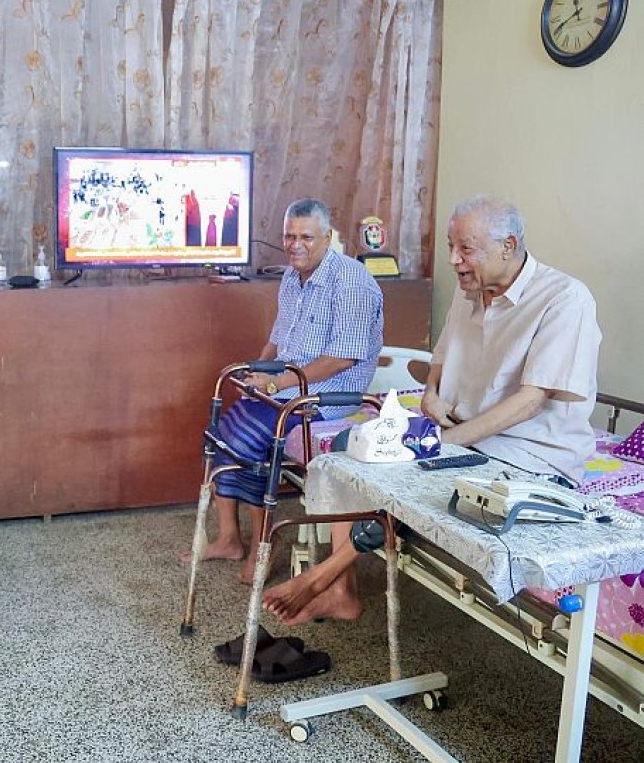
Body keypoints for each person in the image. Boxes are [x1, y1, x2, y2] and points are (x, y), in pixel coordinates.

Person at [264, 195, 601, 626]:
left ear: (509, 245)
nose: (454, 260)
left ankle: (323, 575)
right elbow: (438, 367)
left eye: (466, 249)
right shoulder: (472, 289)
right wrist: (431, 399)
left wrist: (443, 444)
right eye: (450, 247)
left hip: (530, 454)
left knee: (425, 484)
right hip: (460, 434)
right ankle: (341, 590)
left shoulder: (565, 299)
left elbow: (531, 400)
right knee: (352, 449)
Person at [184, 198, 384, 583]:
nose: (295, 244)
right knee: (219, 435)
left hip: (328, 397)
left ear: (328, 237)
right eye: (289, 236)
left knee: (251, 440)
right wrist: (255, 375)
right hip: (288, 388)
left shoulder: (352, 281)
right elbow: (278, 341)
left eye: (306, 237)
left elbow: (343, 358)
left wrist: (276, 383)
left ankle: (264, 544)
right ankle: (229, 538)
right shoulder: (293, 278)